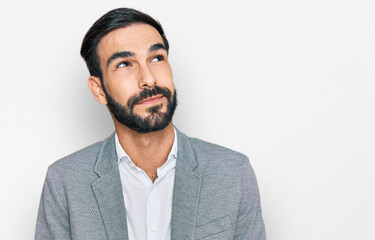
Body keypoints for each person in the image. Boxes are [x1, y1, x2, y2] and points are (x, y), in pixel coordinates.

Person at [35, 8, 266, 240]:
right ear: (99, 89)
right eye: (124, 64)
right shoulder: (64, 182)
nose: (148, 79)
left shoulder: (233, 173)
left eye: (157, 58)